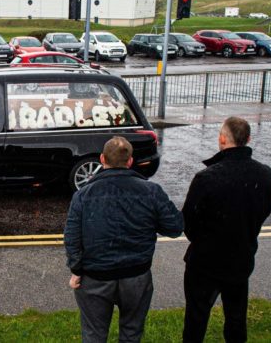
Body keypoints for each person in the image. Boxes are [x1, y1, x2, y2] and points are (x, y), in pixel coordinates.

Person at [64, 136, 183, 342]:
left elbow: (72, 237)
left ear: (102, 159)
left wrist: (76, 270)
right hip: (136, 276)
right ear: (130, 161)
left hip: (95, 278)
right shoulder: (151, 191)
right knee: (131, 332)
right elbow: (174, 228)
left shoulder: (83, 195)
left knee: (94, 335)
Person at [182, 117, 271, 343]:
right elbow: (264, 209)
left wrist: (204, 240)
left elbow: (188, 222)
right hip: (241, 258)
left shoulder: (207, 178)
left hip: (205, 262)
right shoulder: (266, 175)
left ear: (223, 139)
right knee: (236, 318)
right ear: (248, 139)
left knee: (196, 319)